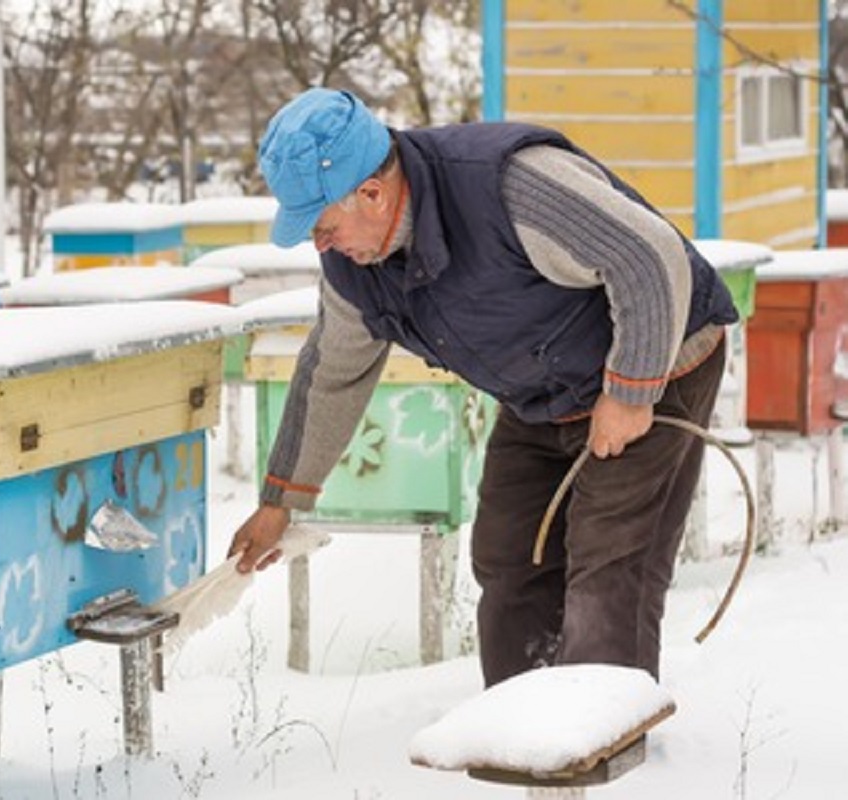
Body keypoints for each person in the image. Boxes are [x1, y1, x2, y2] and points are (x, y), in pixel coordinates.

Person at [228, 87, 737, 688]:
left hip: (660, 359)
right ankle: (521, 731)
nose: (319, 244)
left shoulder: (507, 186)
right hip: (542, 391)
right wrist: (279, 501)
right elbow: (333, 370)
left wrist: (630, 390)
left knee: (609, 561)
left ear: (371, 191)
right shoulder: (353, 267)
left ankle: (596, 756)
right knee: (508, 556)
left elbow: (648, 259)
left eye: (323, 225)